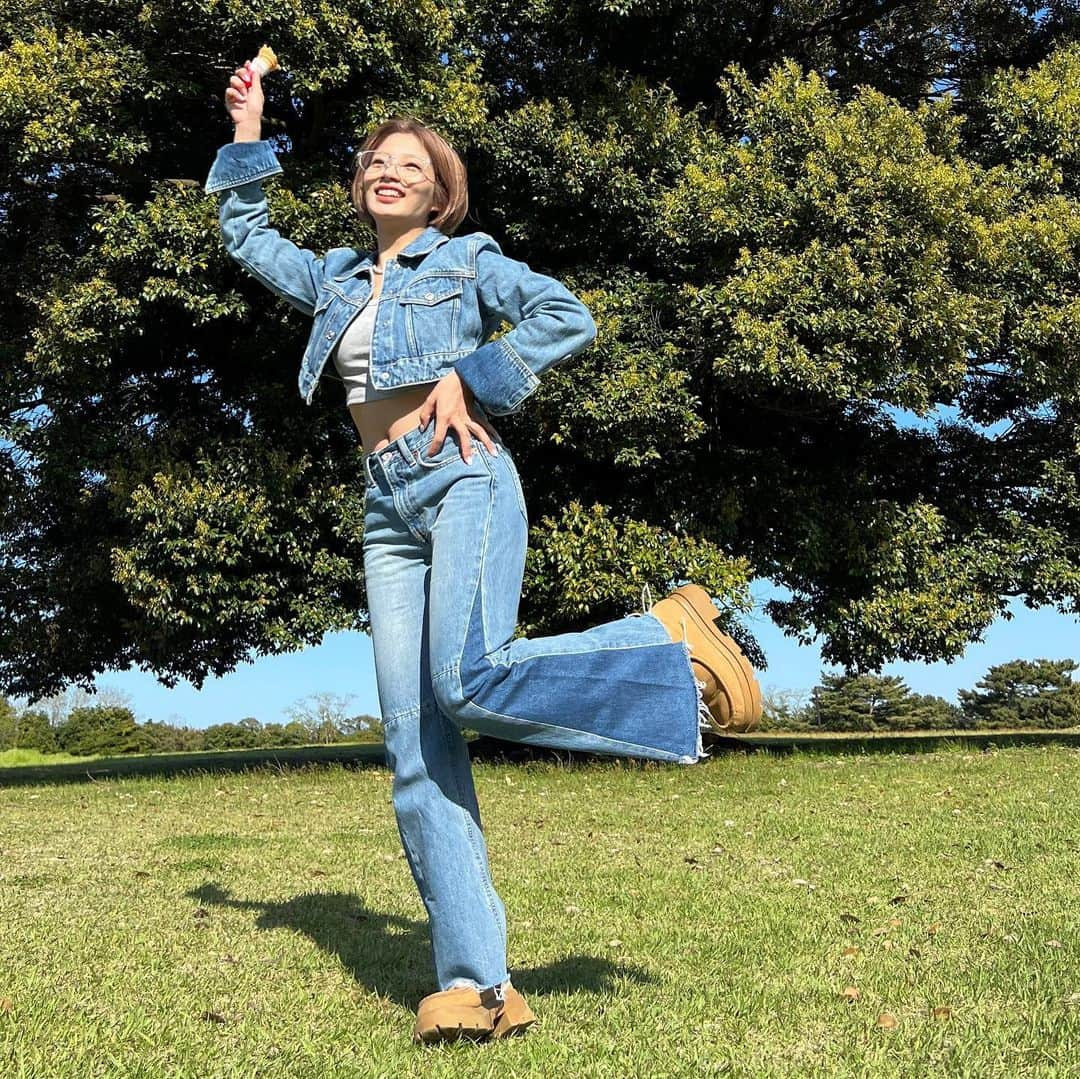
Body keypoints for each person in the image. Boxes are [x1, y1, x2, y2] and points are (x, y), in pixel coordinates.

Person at [205, 57, 762, 1045]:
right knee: (417, 751)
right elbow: (246, 235)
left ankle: (664, 637)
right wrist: (248, 127)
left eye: (409, 163)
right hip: (388, 505)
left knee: (465, 682)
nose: (387, 170)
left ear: (438, 188)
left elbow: (567, 314)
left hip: (463, 474)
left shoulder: (469, 261)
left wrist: (477, 369)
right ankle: (478, 987)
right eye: (375, 159)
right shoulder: (336, 278)